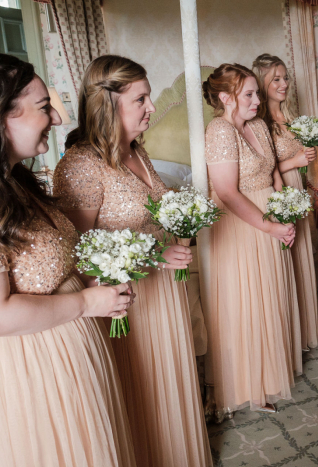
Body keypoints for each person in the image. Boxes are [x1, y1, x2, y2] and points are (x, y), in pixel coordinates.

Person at [53, 55, 212, 467]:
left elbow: (151, 216)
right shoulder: (81, 164)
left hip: (163, 293)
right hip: (125, 303)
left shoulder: (137, 151)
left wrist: (174, 239)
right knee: (142, 390)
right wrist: (154, 257)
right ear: (109, 104)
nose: (152, 107)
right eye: (141, 99)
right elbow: (82, 252)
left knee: (169, 384)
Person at [0, 50, 136, 466]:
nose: (56, 118)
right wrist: (87, 302)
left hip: (70, 350)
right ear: (0, 119)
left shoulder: (18, 182)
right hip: (32, 372)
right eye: (42, 107)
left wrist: (89, 284)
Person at [201, 63, 302, 420]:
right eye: (249, 94)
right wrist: (268, 225)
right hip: (240, 224)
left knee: (268, 296)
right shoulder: (219, 130)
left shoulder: (258, 125)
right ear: (226, 98)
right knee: (244, 301)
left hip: (269, 215)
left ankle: (265, 376)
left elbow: (273, 174)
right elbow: (227, 192)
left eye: (257, 93)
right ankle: (243, 385)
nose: (257, 99)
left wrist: (285, 212)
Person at [252, 53, 318, 351]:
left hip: (297, 189)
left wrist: (309, 168)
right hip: (279, 191)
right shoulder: (259, 123)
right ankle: (288, 337)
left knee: (302, 254)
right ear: (262, 84)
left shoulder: (290, 117)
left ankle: (303, 330)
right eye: (275, 79)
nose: (284, 84)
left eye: (285, 77)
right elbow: (261, 169)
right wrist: (295, 160)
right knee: (287, 260)